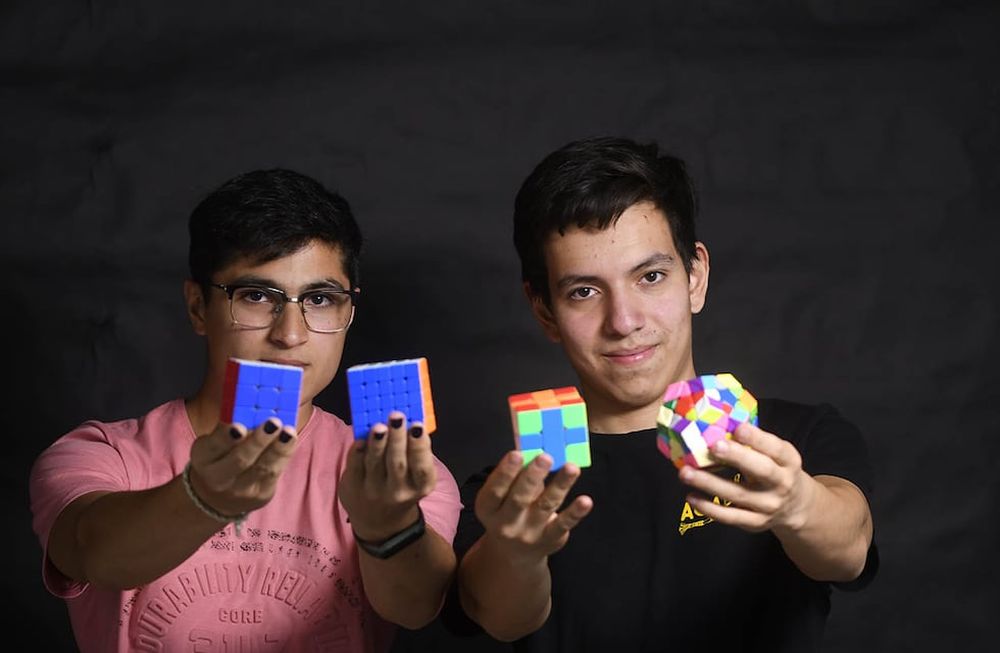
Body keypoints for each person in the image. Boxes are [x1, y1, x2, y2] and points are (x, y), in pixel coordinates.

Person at [449, 137, 878, 652]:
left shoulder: (795, 436)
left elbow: (849, 550)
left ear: (695, 276)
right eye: (584, 292)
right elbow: (501, 617)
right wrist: (517, 551)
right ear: (544, 311)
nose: (624, 322)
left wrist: (795, 503)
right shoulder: (514, 491)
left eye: (651, 277)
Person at [29, 168, 461, 652]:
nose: (290, 334)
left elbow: (416, 607)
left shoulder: (400, 470)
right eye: (257, 296)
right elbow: (94, 553)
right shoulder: (103, 455)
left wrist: (389, 524)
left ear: (347, 313)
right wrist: (203, 496)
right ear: (198, 307)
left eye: (320, 299)